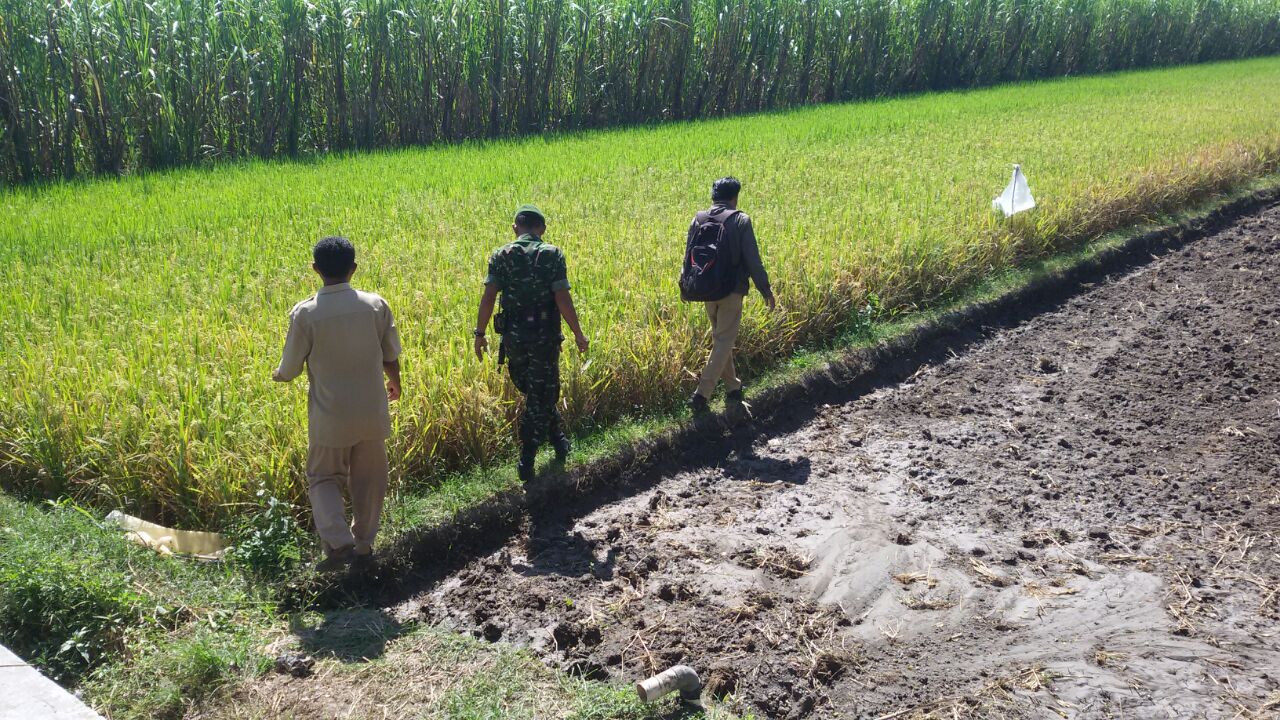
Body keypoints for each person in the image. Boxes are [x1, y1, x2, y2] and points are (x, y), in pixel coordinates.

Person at [273, 236, 403, 572]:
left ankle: (338, 540)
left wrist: (279, 375)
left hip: (330, 418)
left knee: (323, 477)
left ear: (315, 269)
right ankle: (364, 546)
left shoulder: (305, 314)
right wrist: (396, 382)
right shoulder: (375, 305)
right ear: (353, 268)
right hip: (372, 412)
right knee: (370, 480)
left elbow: (289, 370)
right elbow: (390, 355)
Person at [474, 205, 589, 482]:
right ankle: (527, 457)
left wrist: (479, 334)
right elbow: (562, 298)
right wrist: (578, 333)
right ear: (542, 229)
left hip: (513, 339)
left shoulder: (500, 255)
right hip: (544, 337)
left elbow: (488, 297)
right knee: (542, 393)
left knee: (538, 392)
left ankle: (558, 442)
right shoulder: (551, 254)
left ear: (515, 228)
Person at [688, 177, 776, 414]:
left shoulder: (698, 219)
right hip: (731, 290)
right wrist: (765, 290)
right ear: (735, 197)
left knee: (721, 339)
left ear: (713, 196)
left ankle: (733, 388)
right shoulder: (740, 220)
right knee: (724, 341)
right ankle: (701, 394)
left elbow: (689, 257)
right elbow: (753, 259)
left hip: (705, 289)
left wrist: (687, 286)